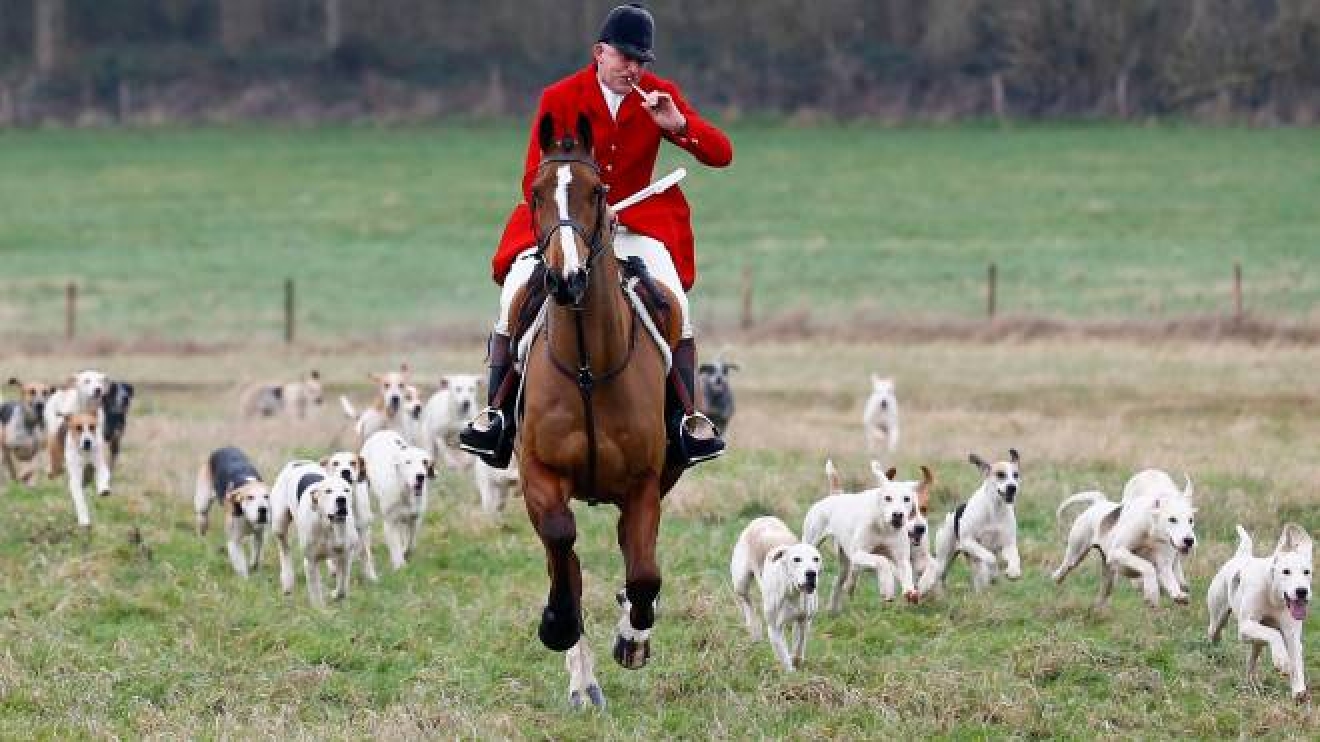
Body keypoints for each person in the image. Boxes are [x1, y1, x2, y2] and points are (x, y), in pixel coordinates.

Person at [459, 3, 733, 470]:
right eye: (624, 57)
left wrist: (679, 127)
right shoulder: (559, 96)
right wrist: (573, 220)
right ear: (599, 53)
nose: (633, 68)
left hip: (635, 227)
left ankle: (687, 420)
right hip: (567, 226)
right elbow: (533, 177)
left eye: (641, 61)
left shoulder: (659, 97)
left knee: (679, 309)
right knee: (513, 298)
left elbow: (721, 154)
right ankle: (496, 416)